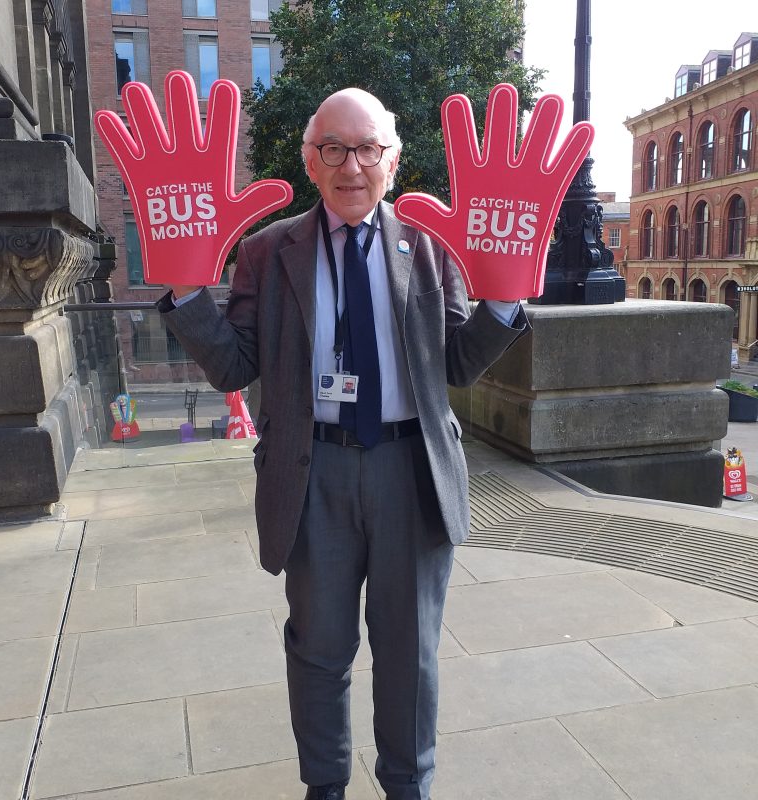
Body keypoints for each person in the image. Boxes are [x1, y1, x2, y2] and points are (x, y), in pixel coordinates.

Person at [158, 88, 528, 800]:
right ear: (309, 159)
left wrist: (505, 303)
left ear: (393, 159)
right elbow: (235, 365)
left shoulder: (430, 246)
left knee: (408, 656)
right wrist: (184, 294)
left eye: (367, 149)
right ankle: (324, 787)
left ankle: (406, 787)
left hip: (409, 474)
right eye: (333, 148)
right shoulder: (267, 252)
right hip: (312, 472)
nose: (351, 165)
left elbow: (455, 362)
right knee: (319, 651)